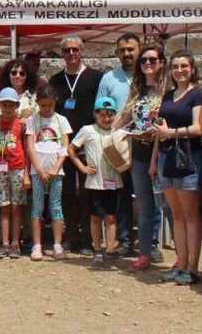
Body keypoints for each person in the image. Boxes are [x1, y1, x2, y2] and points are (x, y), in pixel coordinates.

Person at [152, 51, 202, 285]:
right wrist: (154, 160)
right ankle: (181, 262)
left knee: (190, 215)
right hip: (167, 157)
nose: (179, 70)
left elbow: (199, 128)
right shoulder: (168, 95)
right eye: (175, 66)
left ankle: (192, 268)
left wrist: (171, 134)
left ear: (192, 68)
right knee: (175, 214)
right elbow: (160, 130)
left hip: (188, 158)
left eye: (184, 66)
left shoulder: (199, 95)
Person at [50, 36, 103, 255]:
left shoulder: (96, 78)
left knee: (88, 192)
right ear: (61, 54)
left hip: (88, 143)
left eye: (75, 50)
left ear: (82, 51)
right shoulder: (55, 80)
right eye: (66, 50)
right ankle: (71, 235)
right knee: (67, 192)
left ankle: (89, 239)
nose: (71, 54)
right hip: (64, 144)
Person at [117, 42, 165, 269]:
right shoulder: (136, 91)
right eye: (144, 60)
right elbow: (124, 118)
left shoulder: (167, 91)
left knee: (169, 205)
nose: (147, 64)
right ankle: (145, 251)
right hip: (139, 153)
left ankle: (181, 255)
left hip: (162, 152)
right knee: (145, 205)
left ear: (161, 63)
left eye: (152, 60)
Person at [69, 96, 124, 270]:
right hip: (94, 182)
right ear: (95, 114)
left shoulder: (118, 132)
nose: (106, 118)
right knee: (95, 217)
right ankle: (97, 250)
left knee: (111, 217)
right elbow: (71, 149)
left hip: (113, 182)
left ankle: (109, 251)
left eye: (110, 115)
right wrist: (82, 167)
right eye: (102, 114)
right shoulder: (88, 130)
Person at [98, 34, 142, 256]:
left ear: (139, 49)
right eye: (122, 50)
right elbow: (100, 110)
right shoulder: (108, 79)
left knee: (146, 193)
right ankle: (125, 239)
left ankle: (148, 243)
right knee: (123, 193)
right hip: (119, 143)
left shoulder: (148, 75)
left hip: (144, 141)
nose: (127, 54)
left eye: (131, 49)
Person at [26, 86, 72, 261]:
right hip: (37, 172)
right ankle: (37, 245)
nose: (46, 109)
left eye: (50, 105)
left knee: (55, 207)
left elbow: (65, 146)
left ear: (55, 103)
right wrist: (38, 168)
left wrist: (55, 168)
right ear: (37, 103)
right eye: (43, 105)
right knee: (37, 207)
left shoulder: (61, 120)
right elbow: (30, 146)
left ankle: (57, 245)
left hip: (56, 172)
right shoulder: (32, 120)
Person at [0, 88, 29, 259]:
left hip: (18, 168)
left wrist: (27, 174)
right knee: (4, 206)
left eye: (11, 105)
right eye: (4, 105)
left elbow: (27, 150)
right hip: (0, 170)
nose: (7, 108)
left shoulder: (21, 125)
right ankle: (4, 242)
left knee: (16, 207)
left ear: (16, 106)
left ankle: (15, 242)